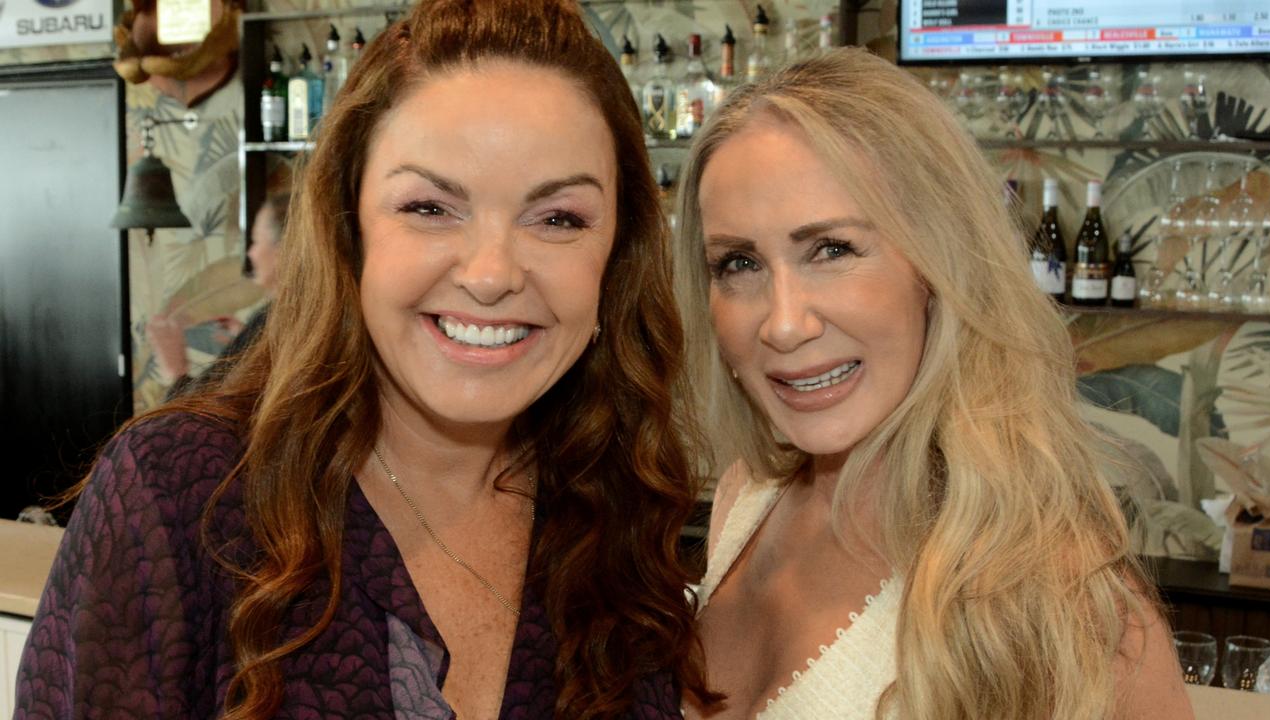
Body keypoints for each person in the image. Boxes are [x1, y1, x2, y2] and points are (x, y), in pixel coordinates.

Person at [16, 1, 713, 718]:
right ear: (349, 231)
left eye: (559, 218)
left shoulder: (621, 515)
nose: (492, 273)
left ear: (616, 257)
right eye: (430, 207)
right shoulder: (180, 494)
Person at [675, 48, 1192, 720]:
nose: (783, 324)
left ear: (937, 265)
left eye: (832, 250)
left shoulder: (1064, 595)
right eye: (738, 262)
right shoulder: (747, 500)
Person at [146, 192, 289, 398]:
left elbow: (204, 422)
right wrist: (247, 347)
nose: (250, 253)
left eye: (256, 241)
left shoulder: (278, 319)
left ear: (285, 249)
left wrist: (175, 369)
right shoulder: (280, 317)